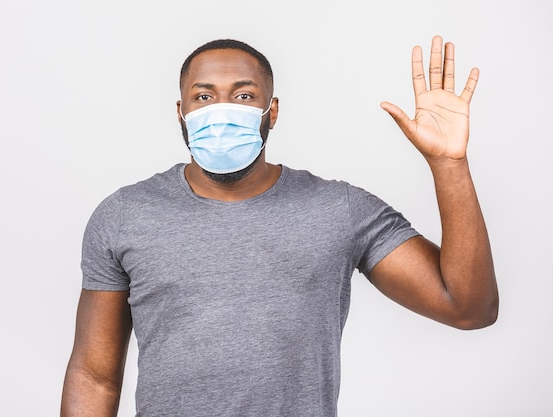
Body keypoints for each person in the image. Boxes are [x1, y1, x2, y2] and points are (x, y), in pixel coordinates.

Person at [61, 35, 498, 417]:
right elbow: (94, 376)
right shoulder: (125, 215)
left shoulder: (338, 209)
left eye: (245, 96)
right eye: (204, 97)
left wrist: (449, 163)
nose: (223, 110)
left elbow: (468, 308)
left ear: (273, 111)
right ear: (181, 111)